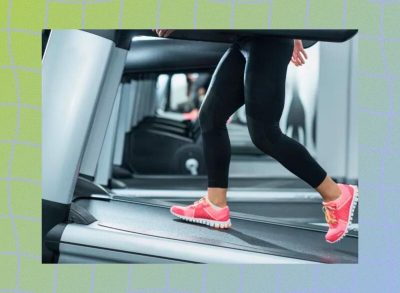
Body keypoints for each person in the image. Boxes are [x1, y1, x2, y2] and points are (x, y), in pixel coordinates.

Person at [153, 29, 358, 244]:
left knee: (265, 134)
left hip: (269, 37)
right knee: (211, 117)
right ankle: (215, 204)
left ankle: (336, 194)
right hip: (246, 38)